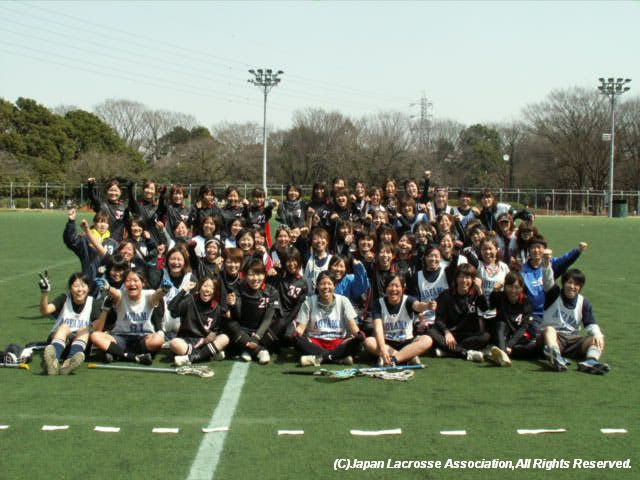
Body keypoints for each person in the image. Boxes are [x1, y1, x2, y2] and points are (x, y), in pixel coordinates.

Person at [90, 269, 168, 364]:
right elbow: (115, 293)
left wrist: (164, 290)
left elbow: (157, 295)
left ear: (143, 283)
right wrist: (108, 288)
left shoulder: (149, 294)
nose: (132, 284)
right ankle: (134, 357)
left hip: (143, 338)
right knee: (95, 336)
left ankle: (116, 354)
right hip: (120, 337)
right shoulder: (121, 294)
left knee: (158, 339)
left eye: (135, 280)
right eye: (128, 281)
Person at [539, 269, 610, 374]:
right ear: (564, 283)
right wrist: (547, 266)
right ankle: (555, 356)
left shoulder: (584, 302)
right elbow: (548, 280)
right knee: (549, 330)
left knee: (597, 338)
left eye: (577, 284)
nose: (572, 287)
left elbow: (591, 324)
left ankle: (591, 361)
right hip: (554, 338)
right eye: (570, 282)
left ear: (580, 287)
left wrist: (597, 334)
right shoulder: (554, 294)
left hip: (572, 340)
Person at [293, 271, 365, 366]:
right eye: (322, 284)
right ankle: (336, 358)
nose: (326, 287)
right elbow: (301, 327)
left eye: (329, 284)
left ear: (335, 286)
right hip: (315, 342)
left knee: (358, 342)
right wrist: (296, 334)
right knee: (297, 341)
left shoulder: (343, 301)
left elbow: (353, 326)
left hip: (339, 342)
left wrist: (359, 335)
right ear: (317, 286)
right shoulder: (309, 302)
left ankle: (320, 358)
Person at [364, 274, 433, 366]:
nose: (394, 289)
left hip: (407, 343)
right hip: (387, 343)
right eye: (390, 285)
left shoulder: (408, 300)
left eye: (397, 286)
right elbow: (378, 328)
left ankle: (394, 359)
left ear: (403, 288)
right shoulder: (378, 303)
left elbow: (418, 306)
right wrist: (383, 348)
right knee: (369, 341)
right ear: (385, 288)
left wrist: (427, 306)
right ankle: (408, 357)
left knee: (427, 339)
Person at [39, 272, 101, 375]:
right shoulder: (64, 299)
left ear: (88, 288)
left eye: (83, 286)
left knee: (84, 329)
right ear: (70, 288)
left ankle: (69, 362)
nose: (80, 290)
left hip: (80, 345)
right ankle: (53, 362)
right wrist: (45, 293)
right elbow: (45, 311)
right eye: (76, 286)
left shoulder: (93, 303)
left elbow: (97, 326)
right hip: (59, 341)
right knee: (64, 327)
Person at [426, 264, 490, 361]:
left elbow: (485, 308)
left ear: (473, 280)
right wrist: (447, 332)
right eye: (461, 277)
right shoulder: (446, 294)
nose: (464, 281)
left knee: (486, 337)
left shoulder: (476, 294)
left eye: (467, 277)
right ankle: (465, 353)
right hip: (450, 334)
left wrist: (479, 289)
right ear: (456, 279)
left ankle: (448, 351)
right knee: (430, 331)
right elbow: (439, 319)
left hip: (468, 335)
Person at [225, 259, 280, 364]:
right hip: (244, 331)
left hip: (262, 332)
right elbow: (237, 316)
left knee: (280, 322)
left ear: (265, 274)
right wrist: (232, 305)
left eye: (259, 274)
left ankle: (246, 349)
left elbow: (268, 318)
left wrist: (257, 337)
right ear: (245, 275)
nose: (255, 278)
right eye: (251, 274)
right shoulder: (239, 288)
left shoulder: (272, 291)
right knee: (228, 323)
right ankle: (259, 351)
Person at [169, 275, 229, 365]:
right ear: (200, 287)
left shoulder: (217, 308)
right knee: (174, 343)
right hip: (187, 342)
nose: (207, 290)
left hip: (205, 344)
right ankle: (207, 356)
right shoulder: (190, 299)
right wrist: (184, 290)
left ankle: (190, 358)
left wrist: (212, 335)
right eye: (205, 286)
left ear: (215, 292)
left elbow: (215, 330)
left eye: (212, 288)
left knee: (224, 338)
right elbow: (172, 310)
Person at [486, 271, 538, 366]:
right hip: (502, 335)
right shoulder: (500, 296)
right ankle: (503, 354)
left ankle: (500, 352)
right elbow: (491, 305)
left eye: (517, 287)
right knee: (500, 324)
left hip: (516, 338)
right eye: (510, 286)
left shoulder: (527, 302)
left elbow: (524, 327)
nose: (513, 291)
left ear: (522, 288)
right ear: (505, 286)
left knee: (533, 346)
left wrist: (510, 345)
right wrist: (494, 291)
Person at [86, 177, 133, 242]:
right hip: (103, 241)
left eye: (116, 190)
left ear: (120, 192)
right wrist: (90, 186)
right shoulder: (102, 205)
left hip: (119, 242)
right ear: (107, 191)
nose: (113, 193)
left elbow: (129, 225)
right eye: (111, 190)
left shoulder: (125, 207)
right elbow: (92, 197)